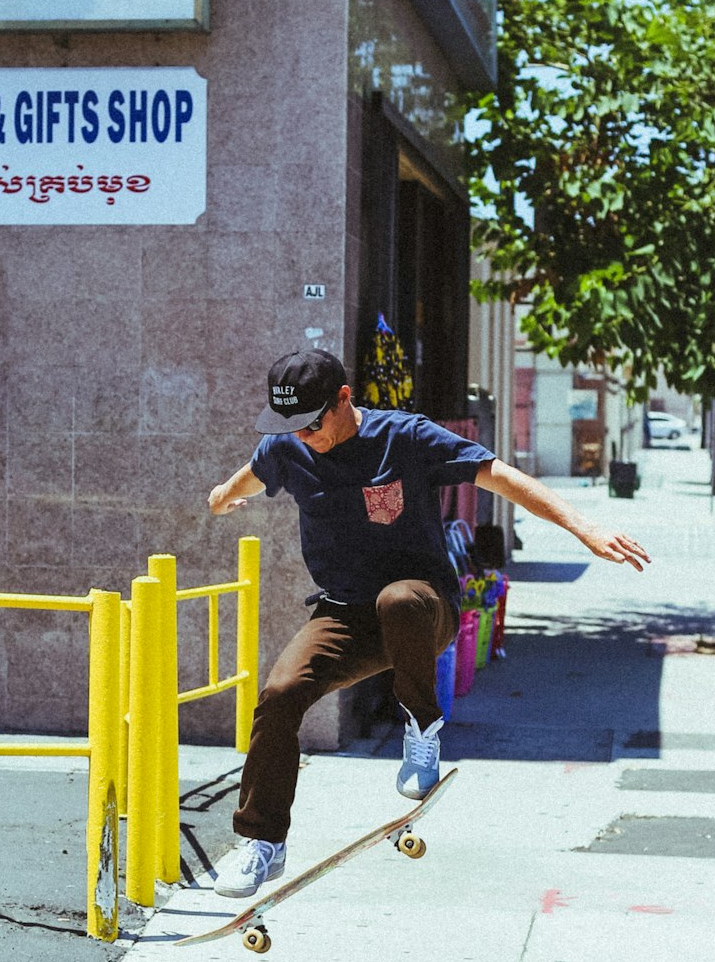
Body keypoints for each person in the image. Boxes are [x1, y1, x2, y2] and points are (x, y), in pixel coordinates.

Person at [207, 348, 650, 898]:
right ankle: (262, 843)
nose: (303, 437)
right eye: (290, 428)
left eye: (312, 424)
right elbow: (252, 475)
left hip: (424, 607)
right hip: (343, 614)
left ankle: (422, 728)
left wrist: (582, 526)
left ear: (344, 399)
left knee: (398, 600)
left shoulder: (407, 438)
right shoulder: (287, 448)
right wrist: (224, 497)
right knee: (279, 693)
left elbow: (501, 476)